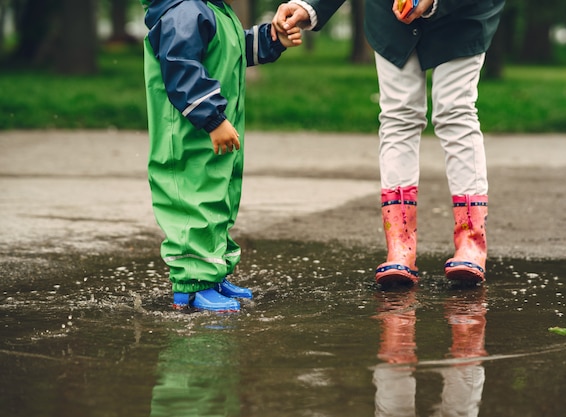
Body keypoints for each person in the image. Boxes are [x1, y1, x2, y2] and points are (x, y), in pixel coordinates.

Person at [272, 0, 505, 287]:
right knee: (398, 114)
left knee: (455, 111)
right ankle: (399, 246)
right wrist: (311, 6)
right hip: (391, 14)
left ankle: (471, 241)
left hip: (463, 13)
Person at [141, 0, 301, 312]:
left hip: (212, 133)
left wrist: (271, 38)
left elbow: (232, 50)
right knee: (193, 204)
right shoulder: (185, 12)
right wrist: (212, 118)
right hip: (190, 136)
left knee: (219, 200)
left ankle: (212, 273)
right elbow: (181, 67)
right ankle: (191, 285)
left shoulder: (216, 12)